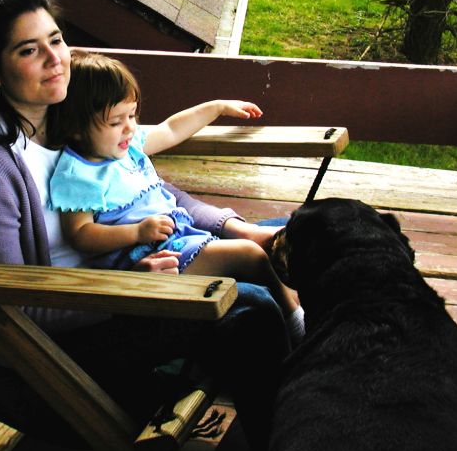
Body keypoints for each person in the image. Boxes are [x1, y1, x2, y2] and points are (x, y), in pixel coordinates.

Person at [0, 0, 290, 451]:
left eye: (56, 40)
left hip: (142, 270)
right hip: (81, 329)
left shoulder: (76, 121)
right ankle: (286, 450)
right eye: (28, 50)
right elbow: (16, 309)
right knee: (248, 307)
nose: (55, 59)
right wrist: (127, 288)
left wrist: (237, 227)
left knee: (301, 233)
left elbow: (154, 194)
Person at [47, 50, 304, 341]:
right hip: (152, 259)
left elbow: (171, 129)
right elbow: (80, 234)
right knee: (250, 255)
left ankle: (294, 309)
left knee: (286, 238)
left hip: (179, 237)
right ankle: (295, 319)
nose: (129, 127)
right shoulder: (78, 175)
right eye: (116, 121)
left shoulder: (127, 147)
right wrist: (136, 232)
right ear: (76, 128)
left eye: (132, 115)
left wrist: (217, 107)